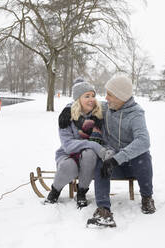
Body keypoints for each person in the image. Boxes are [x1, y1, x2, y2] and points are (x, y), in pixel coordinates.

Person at [86, 75, 156, 227]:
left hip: (132, 166)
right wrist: (67, 111)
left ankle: (147, 198)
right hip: (112, 165)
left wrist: (117, 159)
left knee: (142, 155)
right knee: (101, 161)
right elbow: (83, 102)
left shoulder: (136, 114)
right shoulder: (106, 107)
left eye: (110, 94)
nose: (106, 97)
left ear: (121, 97)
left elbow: (144, 141)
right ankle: (103, 210)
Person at [45, 79, 109, 209]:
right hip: (68, 154)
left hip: (90, 157)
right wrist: (94, 145)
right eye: (87, 96)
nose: (91, 99)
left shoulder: (99, 114)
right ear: (78, 99)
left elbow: (115, 102)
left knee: (89, 154)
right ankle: (55, 190)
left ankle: (81, 192)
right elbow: (67, 145)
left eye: (93, 95)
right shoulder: (67, 116)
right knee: (69, 166)